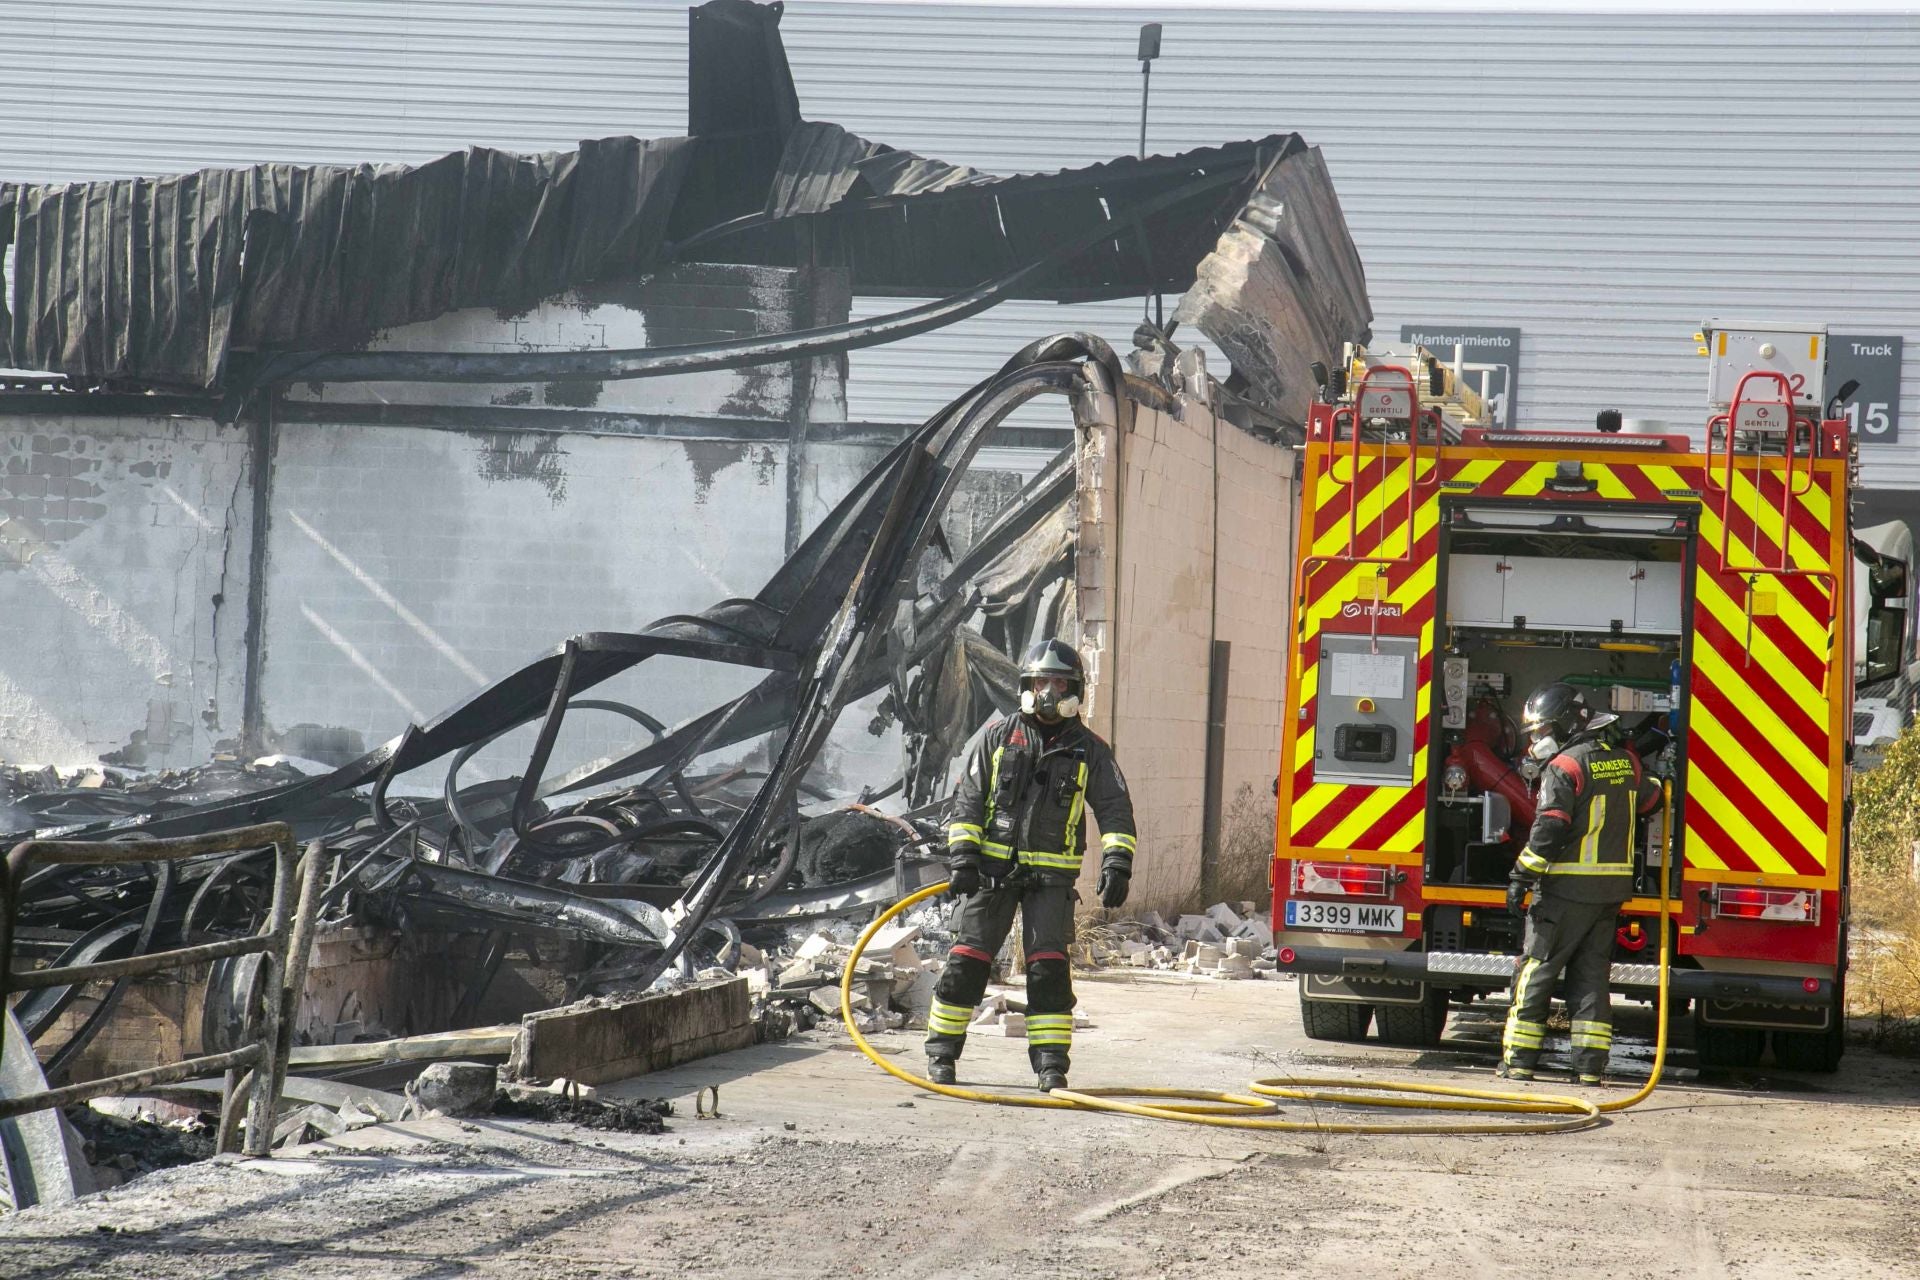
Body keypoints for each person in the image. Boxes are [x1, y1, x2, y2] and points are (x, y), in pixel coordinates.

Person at [924, 638, 1137, 1092]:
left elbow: (1115, 808)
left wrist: (1118, 861)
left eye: (1059, 683)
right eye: (1041, 683)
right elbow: (968, 803)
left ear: (1074, 690)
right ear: (1027, 686)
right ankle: (941, 1055)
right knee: (966, 963)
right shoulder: (998, 738)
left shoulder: (1090, 750)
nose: (1049, 693)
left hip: (1051, 883)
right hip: (991, 876)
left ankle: (1051, 1065)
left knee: (1048, 971)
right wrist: (963, 859)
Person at [1500, 682, 1661, 1085]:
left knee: (1536, 971)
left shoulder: (1565, 766)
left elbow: (1550, 829)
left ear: (1568, 724)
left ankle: (1519, 1061)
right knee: (1591, 979)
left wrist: (1521, 876)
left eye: (1542, 730)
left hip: (1565, 893)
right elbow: (1650, 800)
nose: (1537, 740)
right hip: (1609, 895)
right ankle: (1589, 1070)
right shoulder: (1626, 763)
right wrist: (1662, 778)